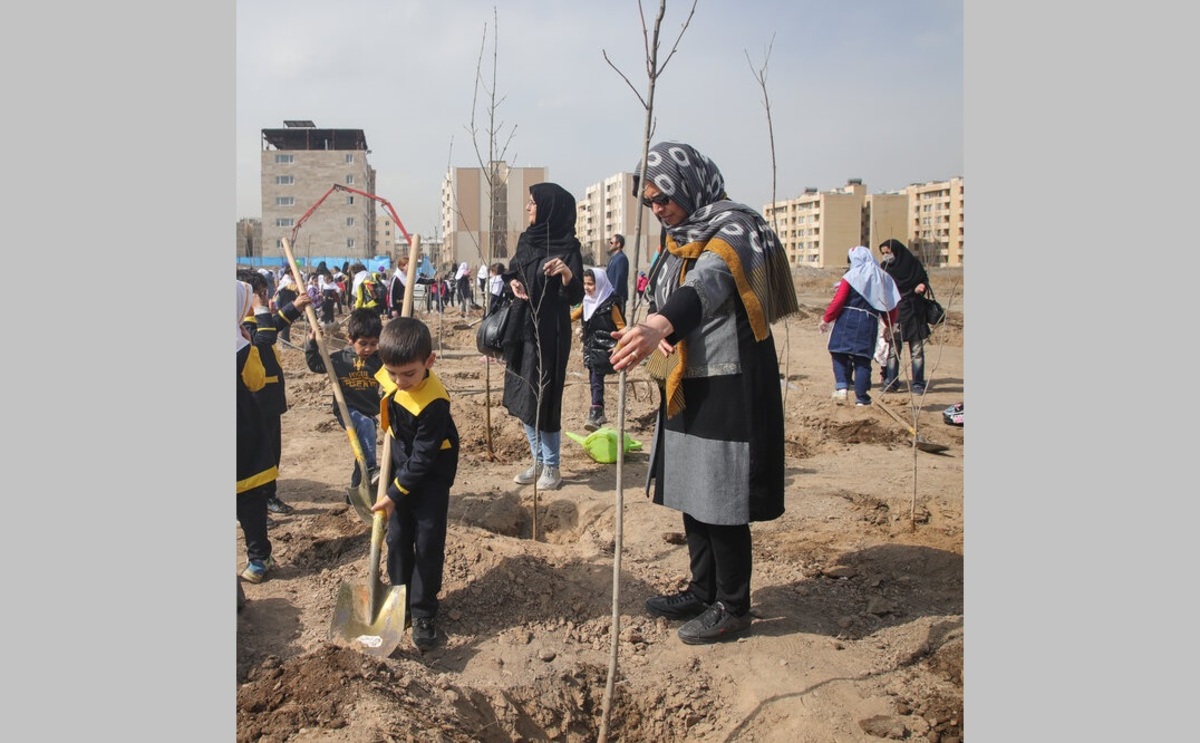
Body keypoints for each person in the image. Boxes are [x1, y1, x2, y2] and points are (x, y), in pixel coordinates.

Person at [610, 141, 799, 645]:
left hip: (729, 383)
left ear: (688, 184)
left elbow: (709, 285)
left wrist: (658, 325)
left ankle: (733, 605)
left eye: (663, 197)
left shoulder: (736, 228)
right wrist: (647, 334)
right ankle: (702, 589)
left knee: (722, 494)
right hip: (687, 381)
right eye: (649, 202)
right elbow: (668, 292)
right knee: (693, 488)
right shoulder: (676, 240)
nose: (658, 209)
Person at [372, 317, 460, 651]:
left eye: (409, 374)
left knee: (426, 542)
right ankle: (400, 600)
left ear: (429, 362)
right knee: (396, 539)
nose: (399, 381)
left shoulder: (434, 402)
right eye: (392, 373)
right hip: (400, 463)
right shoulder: (395, 374)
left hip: (430, 476)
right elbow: (380, 372)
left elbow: (423, 458)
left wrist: (393, 493)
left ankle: (423, 611)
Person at [501, 182, 586, 491]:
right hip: (523, 326)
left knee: (545, 395)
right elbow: (512, 270)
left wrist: (565, 272)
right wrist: (513, 283)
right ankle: (537, 460)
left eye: (533, 203)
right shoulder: (527, 239)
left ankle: (552, 466)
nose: (528, 208)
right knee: (524, 393)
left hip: (551, 330)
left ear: (550, 208)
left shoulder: (569, 246)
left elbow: (576, 295)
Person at [238, 269, 311, 515]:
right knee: (257, 452)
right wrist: (260, 307)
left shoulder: (255, 321)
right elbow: (267, 336)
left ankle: (268, 495)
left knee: (271, 449)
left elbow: (273, 325)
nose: (264, 297)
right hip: (254, 399)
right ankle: (257, 501)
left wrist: (296, 307)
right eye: (259, 294)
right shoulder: (240, 326)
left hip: (269, 399)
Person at [304, 308, 384, 499]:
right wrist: (312, 344)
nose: (368, 349)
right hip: (347, 410)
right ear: (350, 339)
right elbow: (316, 365)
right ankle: (372, 470)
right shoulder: (339, 359)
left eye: (373, 344)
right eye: (363, 344)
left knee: (362, 450)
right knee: (365, 427)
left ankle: (356, 490)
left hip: (369, 412)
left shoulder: (380, 360)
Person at [820, 246, 901, 407]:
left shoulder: (851, 276)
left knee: (838, 353)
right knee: (862, 360)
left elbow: (839, 300)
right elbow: (890, 306)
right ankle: (862, 398)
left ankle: (842, 387)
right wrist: (889, 325)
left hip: (846, 319)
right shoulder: (884, 278)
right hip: (868, 322)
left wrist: (826, 319)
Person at [237, 280, 278, 584]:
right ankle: (258, 558)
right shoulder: (239, 346)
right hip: (241, 427)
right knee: (249, 497)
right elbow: (256, 380)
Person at [570, 268, 625, 431]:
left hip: (606, 348)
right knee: (595, 380)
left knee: (596, 380)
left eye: (591, 284)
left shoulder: (610, 304)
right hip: (592, 348)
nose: (587, 287)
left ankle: (596, 411)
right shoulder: (587, 302)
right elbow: (573, 316)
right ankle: (597, 411)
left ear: (599, 284)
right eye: (585, 284)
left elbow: (622, 327)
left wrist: (619, 347)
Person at [878, 238, 932, 395]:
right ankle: (891, 382)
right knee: (893, 350)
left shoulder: (913, 265)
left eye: (888, 252)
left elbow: (924, 280)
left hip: (914, 312)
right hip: (895, 313)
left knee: (917, 351)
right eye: (883, 253)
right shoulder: (885, 268)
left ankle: (918, 384)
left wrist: (922, 285)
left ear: (897, 251)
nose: (886, 256)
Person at [605, 233, 630, 317]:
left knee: (619, 321)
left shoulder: (621, 258)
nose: (610, 244)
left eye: (611, 242)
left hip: (617, 297)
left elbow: (620, 278)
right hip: (610, 296)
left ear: (618, 244)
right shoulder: (613, 258)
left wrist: (615, 295)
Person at [273, 268, 300, 343]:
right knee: (286, 322)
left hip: (287, 302)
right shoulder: (287, 280)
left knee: (287, 322)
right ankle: (285, 342)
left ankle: (285, 340)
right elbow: (295, 288)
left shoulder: (287, 279)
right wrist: (301, 286)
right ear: (291, 273)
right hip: (285, 303)